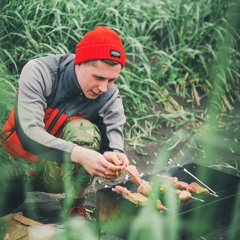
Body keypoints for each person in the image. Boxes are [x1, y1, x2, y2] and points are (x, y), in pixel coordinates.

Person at [0, 26, 129, 220]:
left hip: (55, 172)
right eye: (98, 77)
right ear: (80, 63)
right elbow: (29, 134)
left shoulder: (109, 97)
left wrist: (115, 156)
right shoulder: (40, 72)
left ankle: (73, 206)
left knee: (83, 132)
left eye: (111, 80)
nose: (104, 87)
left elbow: (113, 141)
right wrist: (81, 154)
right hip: (14, 162)